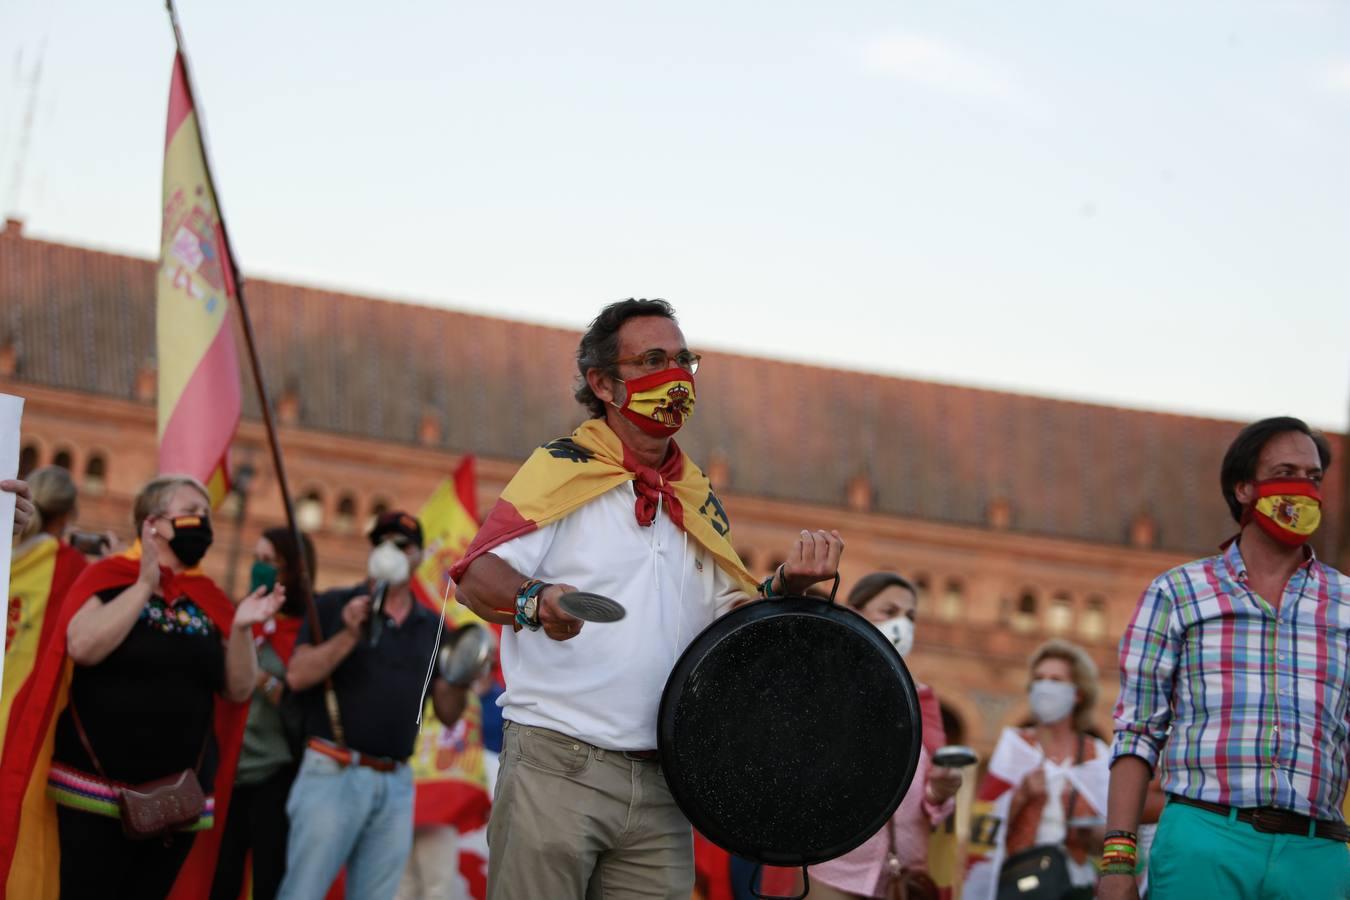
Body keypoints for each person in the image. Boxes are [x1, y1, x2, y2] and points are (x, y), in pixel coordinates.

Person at [452, 298, 845, 900]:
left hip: (665, 781)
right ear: (603, 383)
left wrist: (782, 589)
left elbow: (727, 622)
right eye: (655, 360)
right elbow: (477, 573)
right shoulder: (563, 468)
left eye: (685, 360)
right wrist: (536, 600)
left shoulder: (696, 494)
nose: (677, 377)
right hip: (559, 765)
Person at [1101, 417, 1350, 900]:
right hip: (1206, 838)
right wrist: (1117, 863)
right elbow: (1137, 731)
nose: (1304, 489)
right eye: (1286, 473)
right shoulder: (1178, 593)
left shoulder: (1346, 603)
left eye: (1313, 478)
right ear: (1243, 489)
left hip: (1316, 855)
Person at [0, 474, 283, 899]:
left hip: (178, 807)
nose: (203, 523)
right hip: (94, 798)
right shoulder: (108, 578)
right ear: (152, 524)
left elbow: (238, 690)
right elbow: (83, 645)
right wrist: (143, 587)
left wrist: (241, 628)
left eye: (206, 515)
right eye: (191, 513)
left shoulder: (208, 598)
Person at [278, 511, 469, 900]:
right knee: (303, 891)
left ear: (419, 556)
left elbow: (447, 712)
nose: (390, 551)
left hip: (395, 781)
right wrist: (350, 635)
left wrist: (462, 673)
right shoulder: (332, 605)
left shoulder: (431, 627)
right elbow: (297, 676)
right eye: (381, 542)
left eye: (402, 545)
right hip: (332, 769)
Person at [806, 572, 961, 900]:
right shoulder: (825, 688)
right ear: (856, 612)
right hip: (835, 866)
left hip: (902, 874)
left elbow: (935, 803)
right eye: (889, 612)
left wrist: (941, 790)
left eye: (910, 617)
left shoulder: (923, 700)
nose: (901, 624)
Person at [210, 526, 317, 900]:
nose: (260, 569)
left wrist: (259, 677)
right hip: (229, 771)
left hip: (275, 774)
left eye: (270, 562)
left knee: (269, 880)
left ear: (293, 570)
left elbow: (301, 703)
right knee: (220, 878)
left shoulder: (306, 631)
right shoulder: (240, 618)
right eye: (256, 559)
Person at [964, 639, 1109, 900]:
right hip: (1018, 881)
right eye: (1039, 678)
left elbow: (1108, 835)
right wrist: (1021, 795)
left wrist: (1093, 832)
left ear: (1078, 693)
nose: (1045, 687)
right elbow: (984, 824)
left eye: (1056, 680)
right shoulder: (1015, 745)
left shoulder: (1096, 754)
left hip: (1073, 884)